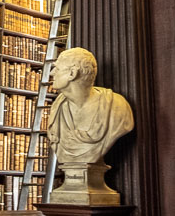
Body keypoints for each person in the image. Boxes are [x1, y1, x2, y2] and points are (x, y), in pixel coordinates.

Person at [47, 48, 134, 205]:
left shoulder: (117, 108)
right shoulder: (57, 109)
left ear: (73, 73)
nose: (52, 73)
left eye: (57, 68)